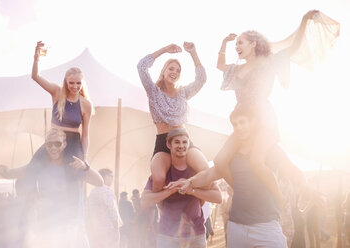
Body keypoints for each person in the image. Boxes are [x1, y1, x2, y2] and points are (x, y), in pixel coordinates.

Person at [214, 10, 340, 207]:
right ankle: (244, 192)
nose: (237, 46)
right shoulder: (236, 69)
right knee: (220, 161)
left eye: (241, 42)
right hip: (242, 121)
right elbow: (220, 64)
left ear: (253, 44)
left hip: (263, 119)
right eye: (236, 43)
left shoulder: (268, 63)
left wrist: (304, 21)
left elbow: (293, 47)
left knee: (257, 161)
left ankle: (280, 201)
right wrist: (224, 43)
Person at [166, 104, 316, 248]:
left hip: (267, 225)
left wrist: (305, 185)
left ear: (252, 123)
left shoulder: (270, 150)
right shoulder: (232, 156)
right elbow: (210, 174)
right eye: (235, 124)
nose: (239, 127)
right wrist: (189, 182)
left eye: (242, 122)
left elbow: (292, 169)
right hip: (237, 226)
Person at [0, 128, 103, 248]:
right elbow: (12, 173)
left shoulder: (74, 166)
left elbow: (99, 182)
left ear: (64, 144)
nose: (53, 148)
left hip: (73, 226)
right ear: (45, 146)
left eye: (57, 144)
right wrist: (4, 171)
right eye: (49, 144)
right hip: (49, 226)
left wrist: (85, 167)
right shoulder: (38, 167)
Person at [137, 42, 209, 192]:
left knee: (205, 171)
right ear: (163, 71)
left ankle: (197, 210)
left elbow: (201, 79)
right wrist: (164, 50)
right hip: (163, 141)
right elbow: (141, 66)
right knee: (158, 178)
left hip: (184, 140)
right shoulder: (153, 91)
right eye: (171, 68)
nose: (174, 72)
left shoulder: (183, 92)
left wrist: (193, 53)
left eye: (177, 70)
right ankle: (162, 212)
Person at [141, 128, 222, 248]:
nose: (181, 146)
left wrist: (191, 190)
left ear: (189, 145)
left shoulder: (197, 172)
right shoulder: (163, 172)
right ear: (169, 144)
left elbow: (218, 197)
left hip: (196, 235)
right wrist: (171, 190)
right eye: (177, 142)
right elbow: (144, 202)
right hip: (167, 235)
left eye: (184, 142)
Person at [31, 41, 93, 163]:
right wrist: (36, 58)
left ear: (82, 83)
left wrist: (84, 157)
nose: (75, 86)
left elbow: (85, 135)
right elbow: (35, 76)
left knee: (77, 173)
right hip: (54, 139)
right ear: (66, 82)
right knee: (34, 165)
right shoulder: (56, 92)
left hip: (74, 142)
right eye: (71, 83)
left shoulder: (86, 104)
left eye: (78, 83)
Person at [87, 168, 120, 248]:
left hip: (95, 228)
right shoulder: (107, 191)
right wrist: (117, 226)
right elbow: (112, 210)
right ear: (104, 177)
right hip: (108, 228)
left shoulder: (92, 192)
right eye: (111, 176)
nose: (112, 178)